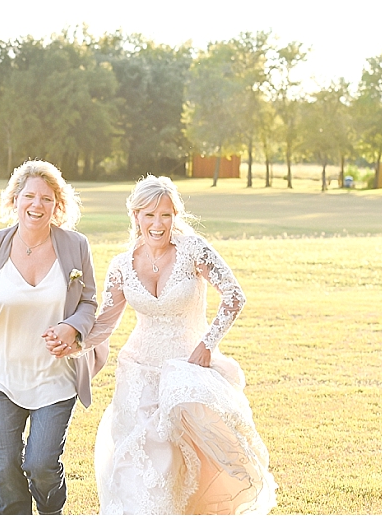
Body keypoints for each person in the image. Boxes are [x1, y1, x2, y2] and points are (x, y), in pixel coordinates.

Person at [51, 175, 277, 514]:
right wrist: (76, 342)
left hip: (186, 371)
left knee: (178, 461)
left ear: (175, 216)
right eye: (150, 215)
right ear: (136, 216)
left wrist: (207, 344)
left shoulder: (193, 250)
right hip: (137, 373)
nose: (158, 224)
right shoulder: (122, 266)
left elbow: (234, 296)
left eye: (166, 215)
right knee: (138, 462)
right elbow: (106, 324)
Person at [0, 160, 107, 515]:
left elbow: (90, 302)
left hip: (56, 379)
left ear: (57, 205)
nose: (36, 205)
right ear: (15, 200)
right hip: (3, 377)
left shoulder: (76, 246)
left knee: (41, 465)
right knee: (5, 469)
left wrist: (72, 327)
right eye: (29, 196)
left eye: (46, 198)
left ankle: (51, 512)